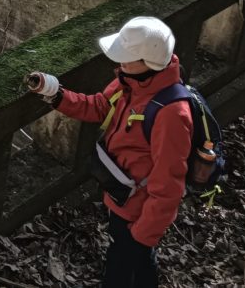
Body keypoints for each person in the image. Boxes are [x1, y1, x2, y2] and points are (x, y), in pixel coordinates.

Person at [27, 17, 192, 288]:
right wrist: (55, 93)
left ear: (148, 62)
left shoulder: (172, 114)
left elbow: (169, 186)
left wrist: (143, 233)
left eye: (127, 58)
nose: (119, 64)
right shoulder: (131, 81)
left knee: (125, 261)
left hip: (138, 209)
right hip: (121, 194)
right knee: (132, 259)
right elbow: (99, 106)